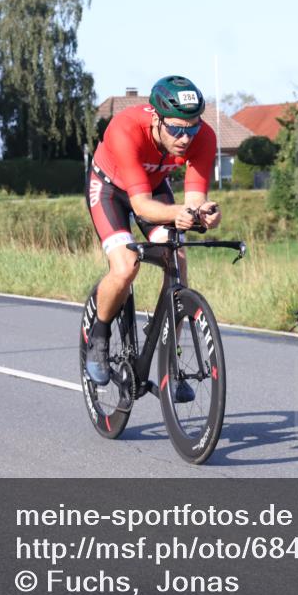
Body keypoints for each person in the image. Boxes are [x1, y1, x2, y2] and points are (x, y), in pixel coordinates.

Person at [84, 75, 221, 389]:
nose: (185, 138)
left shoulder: (205, 137)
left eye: (192, 128)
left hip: (155, 188)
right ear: (156, 119)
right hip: (110, 190)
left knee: (178, 258)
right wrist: (178, 214)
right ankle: (100, 333)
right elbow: (142, 207)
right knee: (125, 266)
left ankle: (169, 355)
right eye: (175, 129)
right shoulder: (125, 129)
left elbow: (195, 199)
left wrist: (204, 215)